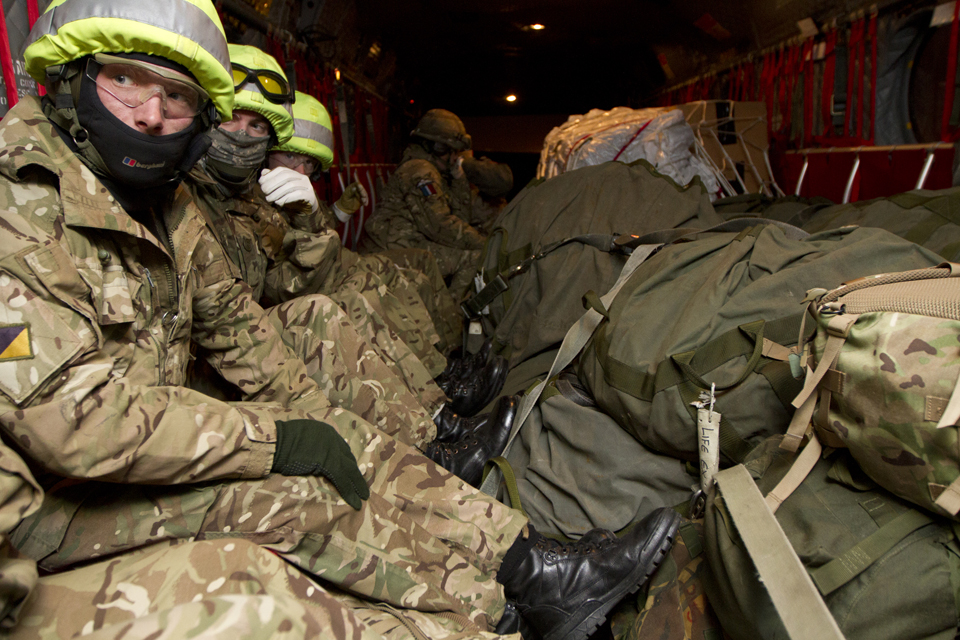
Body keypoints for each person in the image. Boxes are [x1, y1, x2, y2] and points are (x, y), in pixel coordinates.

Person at [0, 4, 681, 640]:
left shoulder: (165, 204)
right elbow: (75, 422)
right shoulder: (20, 205)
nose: (151, 114)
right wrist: (277, 438)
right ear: (71, 77)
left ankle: (525, 566)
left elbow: (239, 327)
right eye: (124, 80)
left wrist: (323, 424)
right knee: (291, 500)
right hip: (51, 505)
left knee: (334, 440)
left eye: (176, 96)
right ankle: (490, 612)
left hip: (146, 441)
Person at [186, 44, 508, 474]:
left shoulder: (246, 199)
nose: (242, 135)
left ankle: (441, 409)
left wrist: (313, 222)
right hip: (204, 358)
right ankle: (432, 439)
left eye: (257, 126)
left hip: (238, 333)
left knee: (350, 294)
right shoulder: (184, 193)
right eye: (231, 119)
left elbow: (280, 281)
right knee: (328, 307)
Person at [360, 108, 487, 300]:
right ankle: (448, 319)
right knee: (474, 258)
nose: (454, 158)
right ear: (434, 147)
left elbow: (459, 219)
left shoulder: (435, 171)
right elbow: (439, 226)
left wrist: (459, 178)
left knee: (471, 251)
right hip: (389, 250)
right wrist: (486, 243)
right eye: (449, 150)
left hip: (407, 244)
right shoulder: (421, 171)